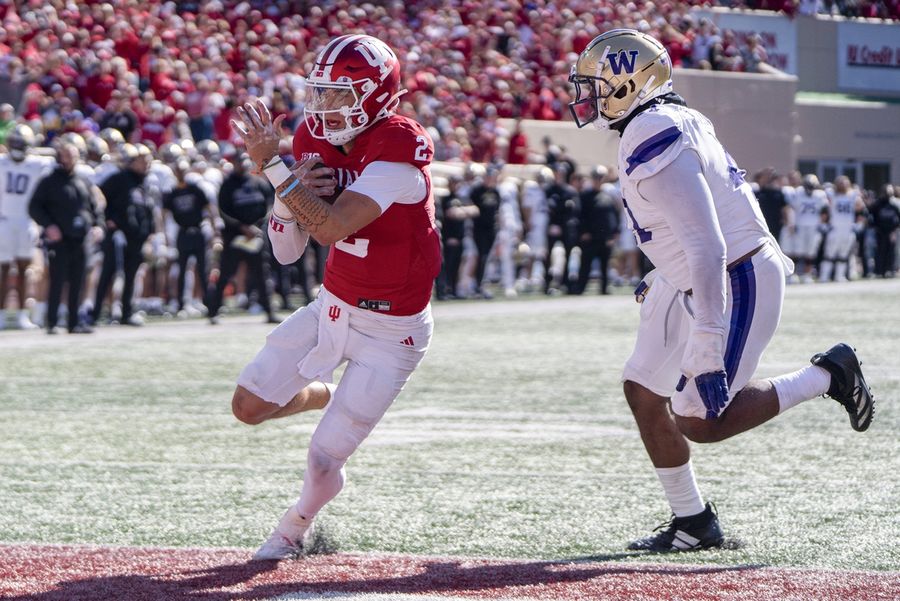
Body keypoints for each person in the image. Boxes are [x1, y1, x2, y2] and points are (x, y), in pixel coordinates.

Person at [568, 29, 875, 552]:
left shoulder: (653, 130)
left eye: (598, 85)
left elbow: (707, 242)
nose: (588, 97)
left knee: (699, 421)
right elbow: (685, 229)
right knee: (643, 388)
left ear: (629, 86)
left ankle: (827, 375)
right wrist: (662, 272)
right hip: (692, 271)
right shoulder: (662, 120)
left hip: (735, 276)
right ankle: (694, 521)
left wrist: (708, 340)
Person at [230, 34, 440, 561]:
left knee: (324, 462)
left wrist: (273, 170)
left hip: (393, 332)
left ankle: (291, 529)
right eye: (319, 94)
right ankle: (325, 392)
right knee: (248, 406)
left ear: (376, 95)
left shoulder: (398, 144)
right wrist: (285, 199)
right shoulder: (311, 139)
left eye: (339, 96)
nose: (324, 108)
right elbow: (285, 250)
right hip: (333, 306)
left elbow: (329, 228)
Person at [28, 143, 102, 333]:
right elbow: (34, 207)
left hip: (81, 238)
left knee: (79, 281)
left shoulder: (83, 181)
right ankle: (52, 322)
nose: (69, 159)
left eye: (73, 156)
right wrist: (49, 226)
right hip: (59, 239)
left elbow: (95, 208)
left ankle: (74, 322)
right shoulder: (49, 181)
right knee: (57, 280)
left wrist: (97, 226)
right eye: (66, 156)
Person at [205, 150, 277, 325]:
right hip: (234, 238)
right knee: (225, 275)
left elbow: (270, 207)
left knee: (262, 275)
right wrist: (241, 227)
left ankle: (269, 312)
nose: (243, 164)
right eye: (239, 161)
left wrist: (256, 227)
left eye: (246, 160)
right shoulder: (227, 185)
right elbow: (222, 211)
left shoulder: (259, 183)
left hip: (257, 236)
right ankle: (213, 312)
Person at [90, 143, 155, 326]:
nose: (147, 164)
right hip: (117, 234)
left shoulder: (144, 182)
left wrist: (149, 234)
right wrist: (107, 220)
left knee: (131, 275)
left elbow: (147, 210)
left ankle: (126, 312)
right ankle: (95, 313)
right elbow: (98, 197)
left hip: (136, 237)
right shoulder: (118, 179)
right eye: (143, 160)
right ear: (132, 161)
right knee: (108, 273)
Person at [0, 124, 54, 329]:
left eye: (20, 143)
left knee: (23, 268)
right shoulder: (4, 162)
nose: (17, 146)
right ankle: (3, 315)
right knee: (3, 270)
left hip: (25, 220)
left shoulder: (36, 164)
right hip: (5, 219)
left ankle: (22, 314)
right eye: (14, 142)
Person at [575, 166, 620, 295]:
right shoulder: (585, 196)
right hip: (590, 237)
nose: (598, 181)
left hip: (605, 238)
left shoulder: (608, 196)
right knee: (585, 265)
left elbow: (613, 215)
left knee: (605, 265)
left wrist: (615, 232)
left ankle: (604, 288)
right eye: (595, 178)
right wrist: (583, 232)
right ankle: (580, 288)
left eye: (600, 178)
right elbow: (580, 215)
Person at [781, 174, 828, 283]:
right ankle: (792, 275)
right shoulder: (798, 192)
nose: (809, 189)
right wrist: (792, 223)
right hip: (800, 225)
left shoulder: (820, 195)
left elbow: (824, 211)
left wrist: (821, 224)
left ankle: (807, 275)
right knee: (796, 251)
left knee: (810, 252)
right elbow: (791, 208)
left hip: (813, 226)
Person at [820, 176, 865, 282]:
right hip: (835, 228)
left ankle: (839, 276)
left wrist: (859, 223)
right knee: (829, 253)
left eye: (844, 183)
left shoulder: (853, 195)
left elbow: (861, 209)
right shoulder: (832, 194)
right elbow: (825, 208)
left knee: (843, 254)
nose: (842, 185)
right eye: (840, 183)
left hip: (848, 229)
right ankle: (824, 276)